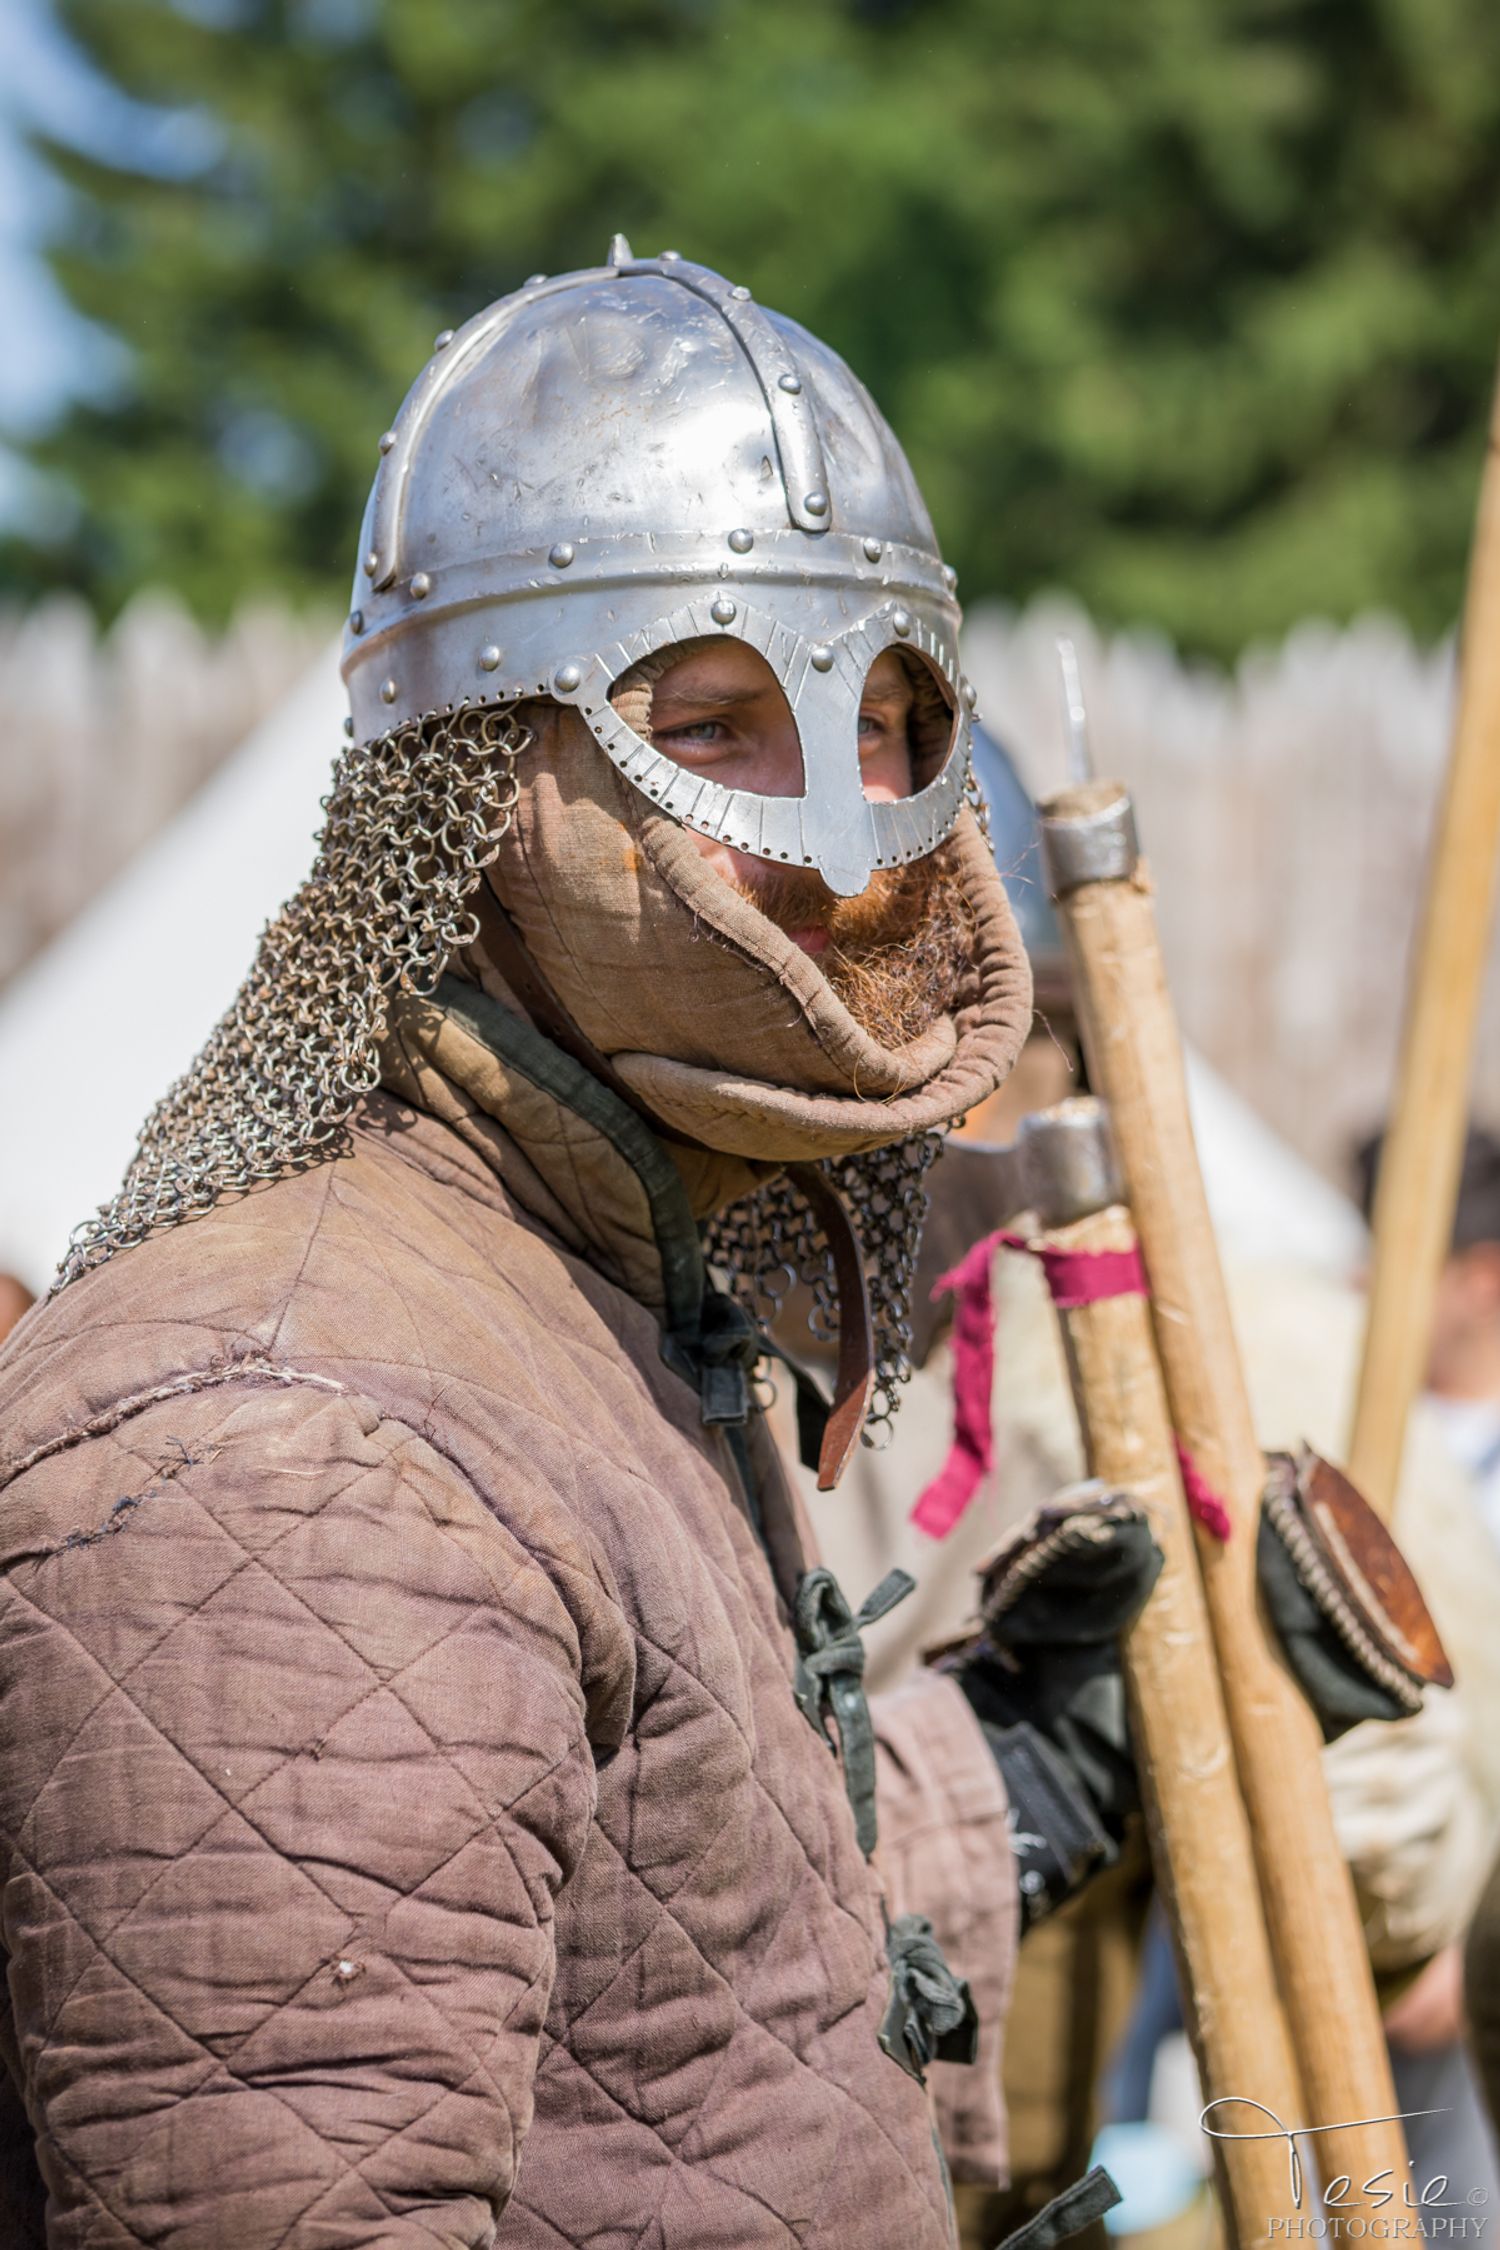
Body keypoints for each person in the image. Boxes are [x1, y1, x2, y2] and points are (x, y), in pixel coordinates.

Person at [0, 244, 1162, 2249]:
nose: (849, 832)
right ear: (479, 781)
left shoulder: (589, 1286)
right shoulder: (294, 1445)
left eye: (892, 720)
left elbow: (665, 1982)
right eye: (716, 722)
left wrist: (1014, 1773)